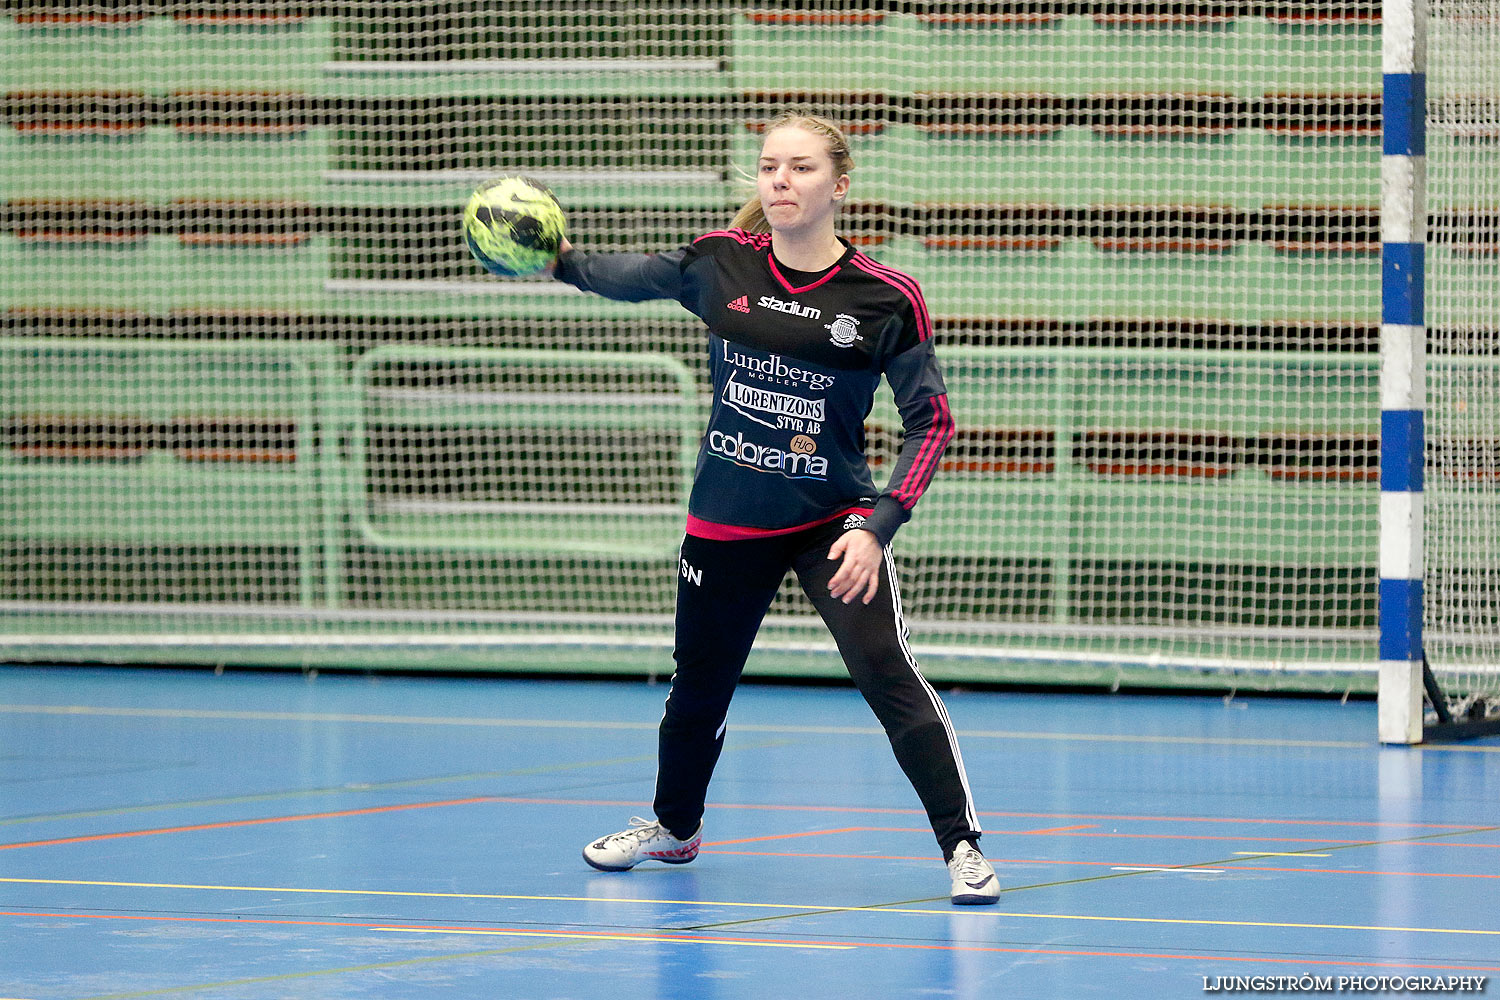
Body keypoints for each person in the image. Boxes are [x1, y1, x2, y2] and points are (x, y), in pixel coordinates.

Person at [552, 111, 998, 905]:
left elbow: (932, 421)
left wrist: (878, 525)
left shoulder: (886, 297)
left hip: (834, 524)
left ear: (840, 185)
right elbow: (627, 276)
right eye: (768, 168)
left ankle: (961, 846)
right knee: (698, 690)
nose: (780, 181)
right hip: (724, 519)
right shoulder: (721, 263)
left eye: (799, 168)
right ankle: (674, 829)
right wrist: (556, 261)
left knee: (887, 675)